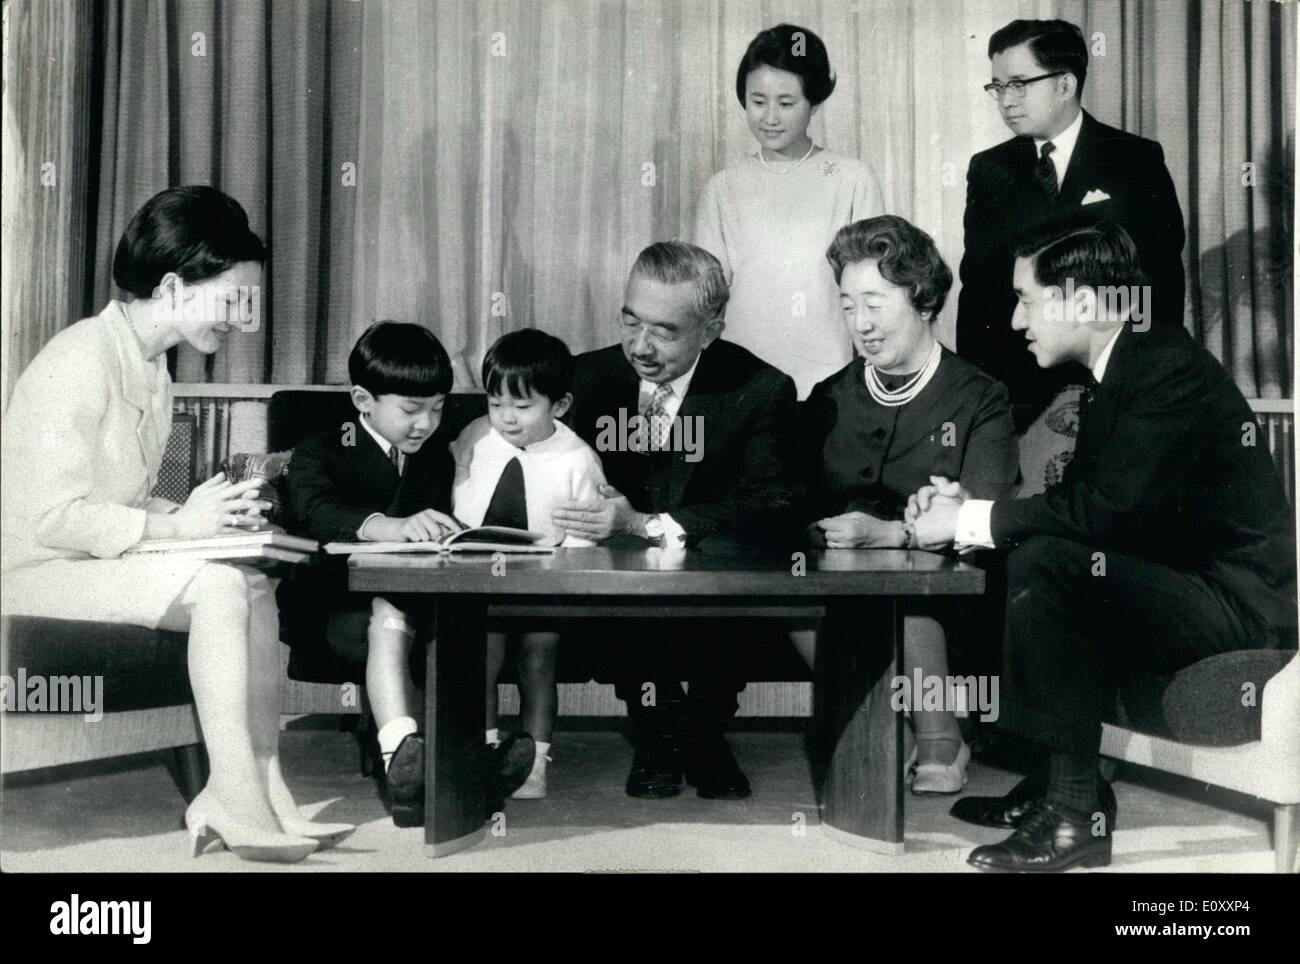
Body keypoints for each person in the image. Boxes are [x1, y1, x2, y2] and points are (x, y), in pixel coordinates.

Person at [910, 221, 1297, 871]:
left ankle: (1072, 816)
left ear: (1083, 303)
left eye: (1027, 299)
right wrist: (966, 515)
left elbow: (1104, 514)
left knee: (1046, 562)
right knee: (1029, 551)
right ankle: (1065, 784)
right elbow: (1105, 513)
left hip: (1243, 609)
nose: (1014, 319)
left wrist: (966, 518)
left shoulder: (1163, 368)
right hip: (1192, 583)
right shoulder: (1126, 363)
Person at [0, 185, 352, 863]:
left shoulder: (153, 369)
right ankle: (231, 795)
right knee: (216, 588)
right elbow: (47, 517)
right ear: (173, 285)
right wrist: (180, 527)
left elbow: (125, 502)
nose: (242, 319)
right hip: (29, 572)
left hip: (85, 563)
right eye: (233, 300)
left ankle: (265, 785)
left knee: (249, 581)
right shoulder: (76, 361)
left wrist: (213, 518)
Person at [554, 240, 799, 800]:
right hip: (609, 572)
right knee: (609, 581)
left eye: (665, 331)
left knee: (740, 567)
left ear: (710, 330)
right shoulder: (583, 381)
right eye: (630, 321)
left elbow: (773, 504)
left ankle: (696, 729)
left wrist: (646, 523)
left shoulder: (760, 390)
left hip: (712, 566)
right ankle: (670, 733)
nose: (640, 346)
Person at [793, 215, 1019, 793]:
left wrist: (897, 535)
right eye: (847, 306)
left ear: (921, 298)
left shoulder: (980, 396)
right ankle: (879, 721)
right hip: (835, 586)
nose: (861, 325)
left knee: (904, 587)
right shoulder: (829, 398)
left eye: (875, 302)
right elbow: (795, 506)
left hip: (945, 592)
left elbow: (987, 514)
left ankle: (938, 734)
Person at [278, 321, 533, 826]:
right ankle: (402, 755)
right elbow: (316, 512)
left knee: (459, 621)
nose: (426, 424)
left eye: (437, 409)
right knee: (386, 611)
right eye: (412, 410)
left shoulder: (437, 457)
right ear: (362, 399)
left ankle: (448, 768)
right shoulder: (320, 450)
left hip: (420, 600)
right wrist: (389, 527)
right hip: (335, 608)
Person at [957, 18, 1185, 415]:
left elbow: (1160, 283)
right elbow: (977, 293)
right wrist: (982, 395)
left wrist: (1137, 375)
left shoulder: (1136, 159)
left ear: (1065, 85)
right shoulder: (989, 169)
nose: (1005, 101)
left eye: (1019, 84)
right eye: (997, 87)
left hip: (1113, 387)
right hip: (1018, 394)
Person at [449, 328, 607, 799]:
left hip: (546, 582)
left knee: (538, 661)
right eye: (496, 404)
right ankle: (487, 751)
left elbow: (587, 535)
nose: (506, 419)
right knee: (484, 660)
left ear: (559, 406)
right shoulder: (475, 437)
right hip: (481, 578)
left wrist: (564, 572)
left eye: (522, 406)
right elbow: (458, 496)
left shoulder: (577, 458)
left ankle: (534, 761)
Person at [694, 22, 885, 399]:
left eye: (786, 103)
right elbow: (705, 296)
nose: (769, 117)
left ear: (813, 103)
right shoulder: (722, 187)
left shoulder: (851, 178)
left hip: (828, 374)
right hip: (742, 378)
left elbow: (873, 286)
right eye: (758, 101)